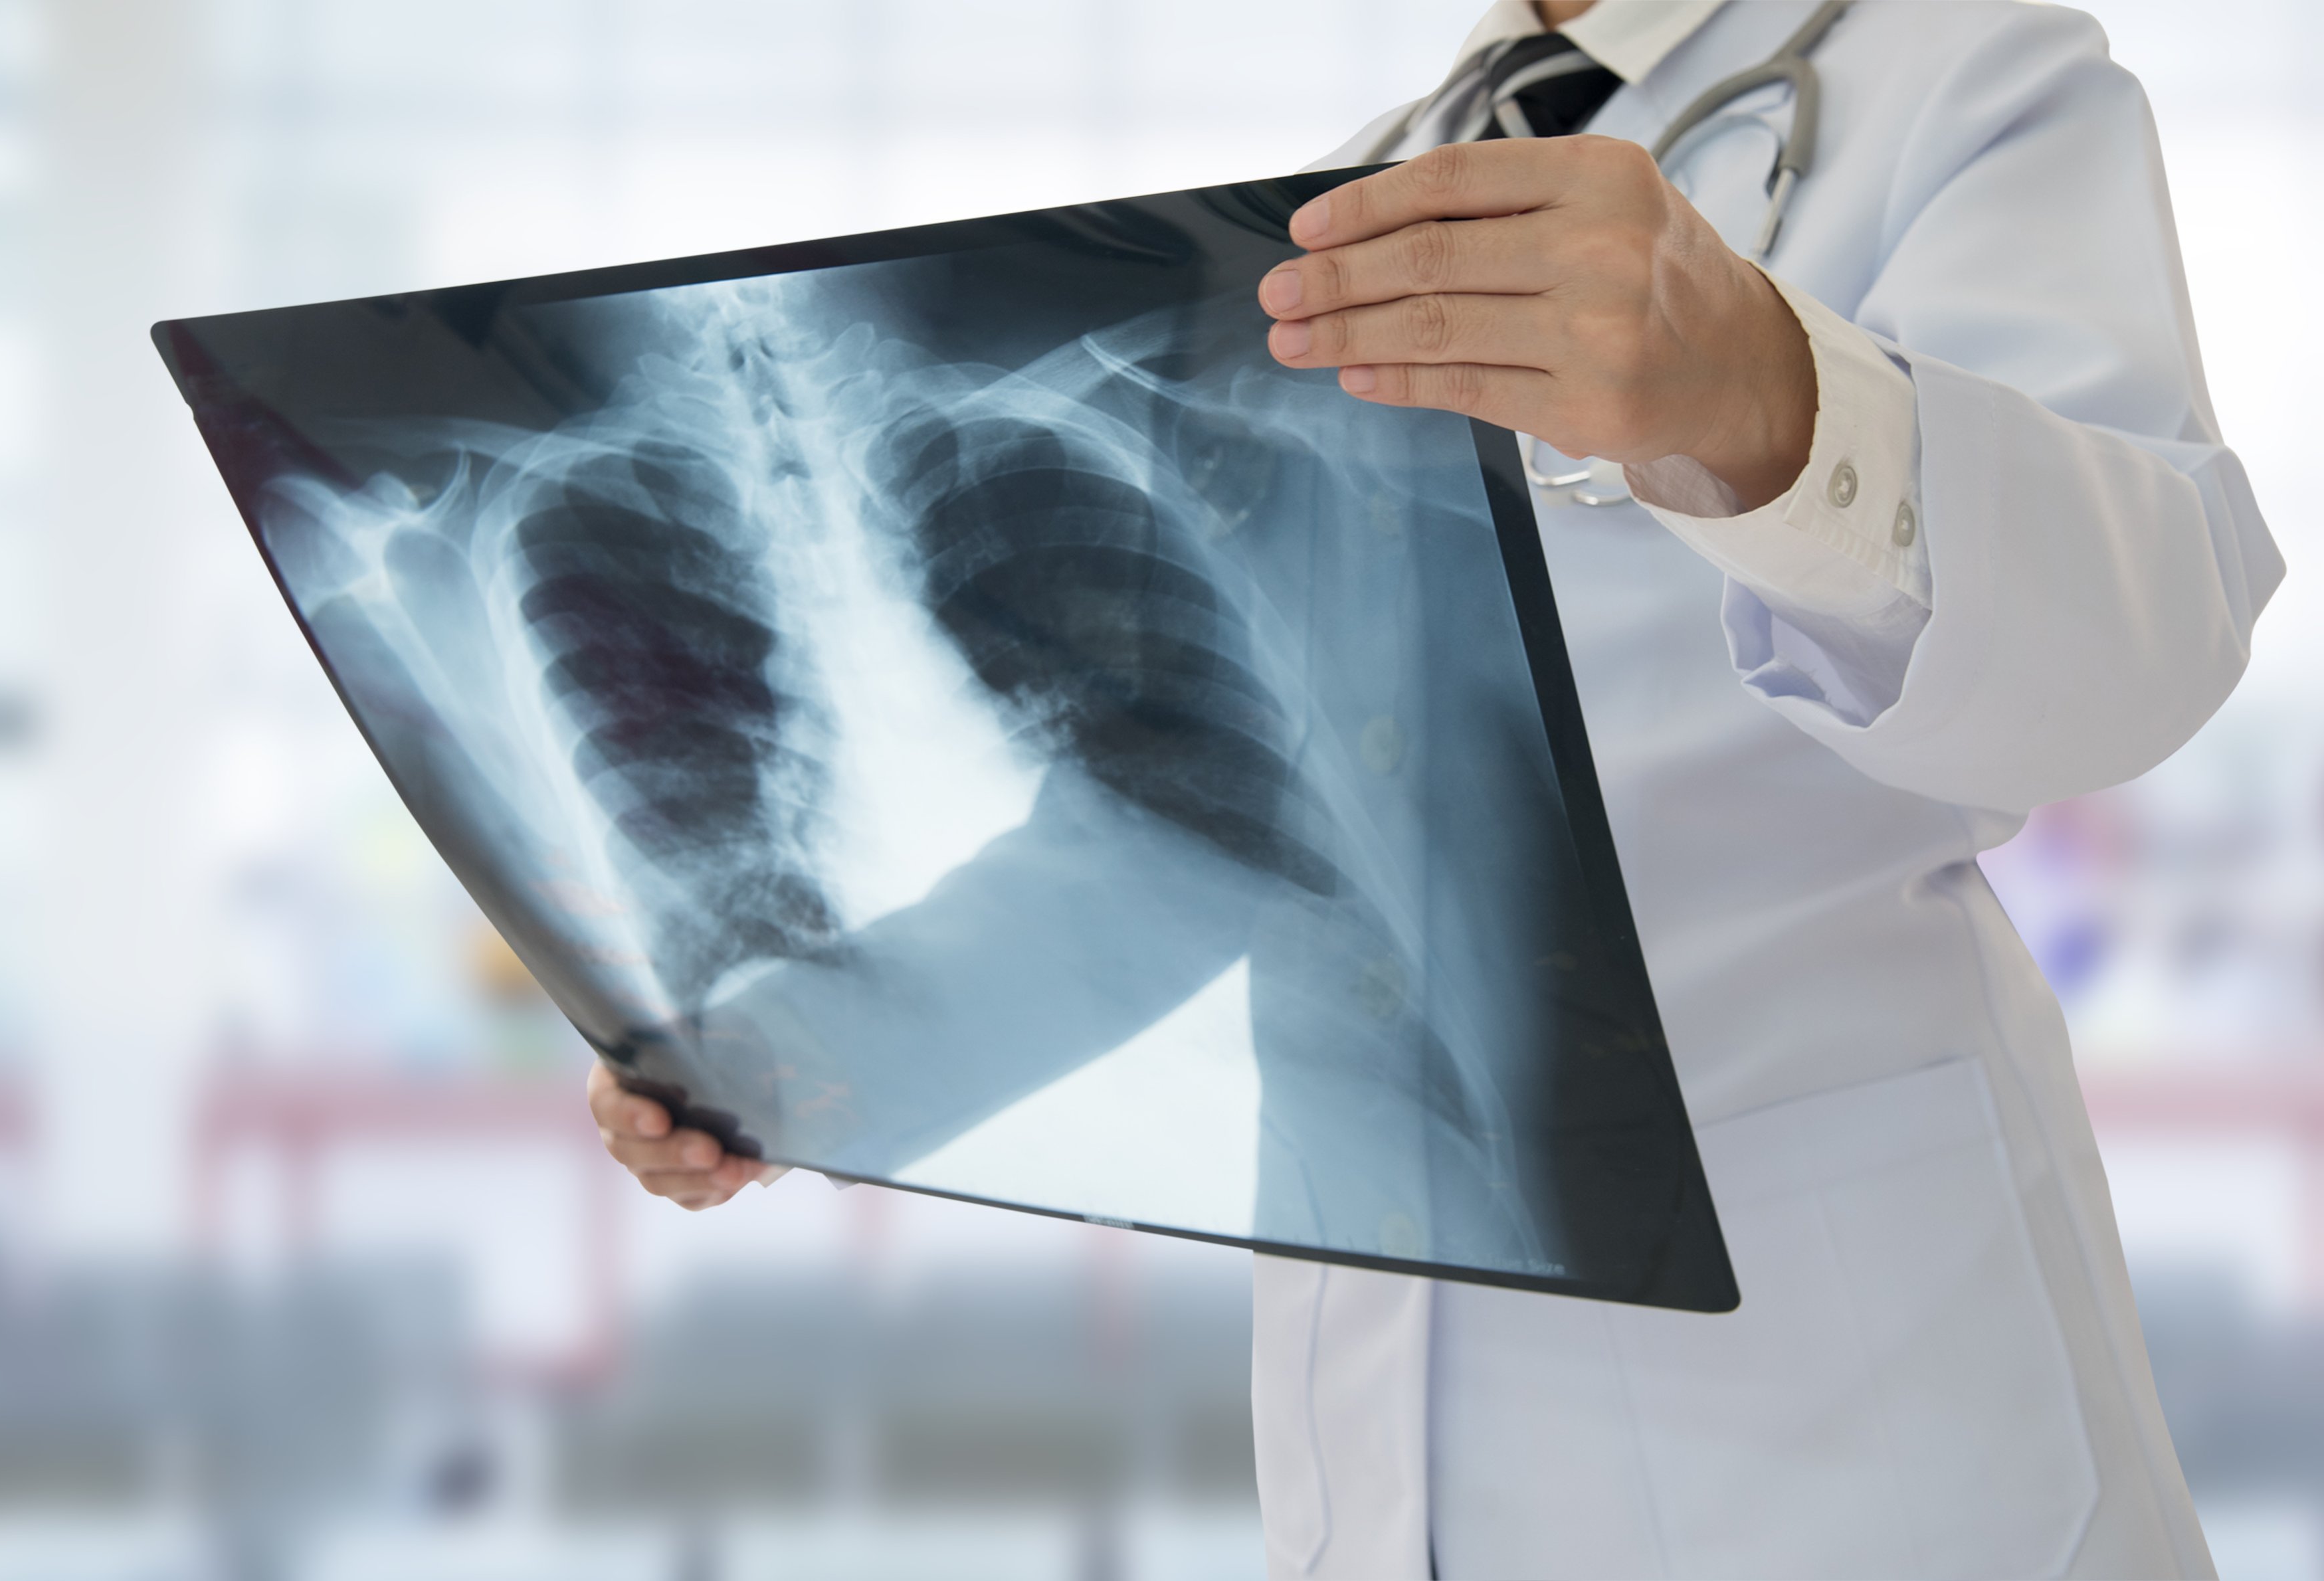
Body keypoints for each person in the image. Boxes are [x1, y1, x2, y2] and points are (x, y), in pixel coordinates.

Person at [589, 0, 2281, 1572]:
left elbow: (2143, 641)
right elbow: (1217, 822)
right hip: (1382, 1429)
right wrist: (825, 1045)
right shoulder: (1347, 202)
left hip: (1858, 1414)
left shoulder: (1965, 72)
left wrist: (1776, 396)